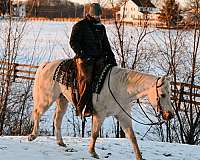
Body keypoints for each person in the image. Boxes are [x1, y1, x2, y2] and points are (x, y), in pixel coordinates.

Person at [70, 3, 117, 117]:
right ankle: (82, 106)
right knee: (87, 79)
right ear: (90, 14)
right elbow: (73, 42)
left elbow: (106, 45)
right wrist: (82, 54)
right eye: (96, 15)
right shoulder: (80, 26)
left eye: (99, 15)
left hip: (99, 58)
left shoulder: (101, 27)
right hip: (84, 59)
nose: (98, 18)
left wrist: (112, 60)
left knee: (108, 76)